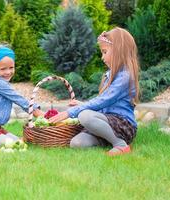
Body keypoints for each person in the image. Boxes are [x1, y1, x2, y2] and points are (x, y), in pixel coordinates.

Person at [49, 27, 140, 156]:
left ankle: (120, 144)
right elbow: (103, 105)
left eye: (105, 52)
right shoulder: (109, 75)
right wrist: (82, 105)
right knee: (76, 143)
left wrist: (72, 112)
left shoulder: (125, 76)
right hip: (107, 123)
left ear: (119, 51)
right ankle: (107, 139)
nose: (102, 57)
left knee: (84, 115)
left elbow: (104, 100)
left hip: (122, 125)